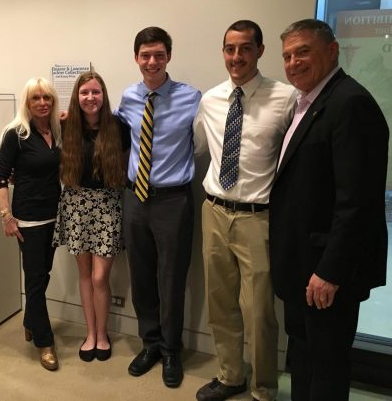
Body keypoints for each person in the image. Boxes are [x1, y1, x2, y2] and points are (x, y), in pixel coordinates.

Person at [270, 19, 388, 400]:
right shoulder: (309, 104)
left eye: (303, 51)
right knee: (303, 357)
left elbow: (358, 202)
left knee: (327, 365)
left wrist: (330, 271)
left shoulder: (350, 104)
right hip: (302, 264)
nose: (293, 62)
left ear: (332, 50)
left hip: (325, 272)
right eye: (287, 55)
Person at [193, 20, 296, 401]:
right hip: (215, 211)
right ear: (223, 52)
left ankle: (264, 388)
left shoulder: (285, 99)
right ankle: (230, 375)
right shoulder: (210, 99)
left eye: (245, 48)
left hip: (259, 218)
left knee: (259, 313)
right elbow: (200, 148)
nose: (236, 57)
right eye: (230, 49)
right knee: (220, 304)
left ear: (260, 51)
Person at [116, 26, 201, 388]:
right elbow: (114, 137)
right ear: (136, 58)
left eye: (159, 55)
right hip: (135, 197)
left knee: (171, 279)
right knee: (141, 275)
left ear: (168, 57)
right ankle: (149, 343)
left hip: (173, 200)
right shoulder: (128, 97)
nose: (152, 62)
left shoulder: (191, 97)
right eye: (145, 55)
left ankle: (170, 351)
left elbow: (202, 141)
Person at [52, 71, 129, 362]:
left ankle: (103, 331)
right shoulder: (65, 125)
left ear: (103, 95)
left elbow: (123, 166)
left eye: (96, 92)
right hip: (75, 203)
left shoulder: (118, 126)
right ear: (76, 96)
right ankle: (92, 334)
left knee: (100, 277)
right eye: (84, 93)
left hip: (107, 205)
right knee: (84, 275)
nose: (90, 98)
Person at [0, 77, 62, 371]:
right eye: (36, 98)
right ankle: (44, 343)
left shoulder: (56, 130)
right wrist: (6, 216)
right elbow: (0, 178)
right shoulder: (16, 134)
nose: (42, 103)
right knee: (34, 280)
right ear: (27, 102)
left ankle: (29, 321)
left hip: (54, 215)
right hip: (28, 220)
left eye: (47, 97)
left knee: (43, 274)